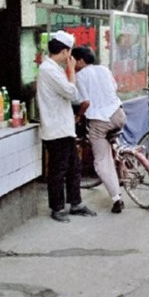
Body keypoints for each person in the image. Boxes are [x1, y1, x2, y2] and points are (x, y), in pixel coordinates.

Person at [36, 30, 97, 222]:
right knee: (59, 169)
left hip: (63, 126)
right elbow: (71, 91)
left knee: (73, 166)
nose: (70, 58)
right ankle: (57, 207)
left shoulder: (52, 68)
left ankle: (75, 203)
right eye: (69, 53)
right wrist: (71, 71)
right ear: (64, 51)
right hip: (56, 128)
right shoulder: (48, 69)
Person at [71, 46, 125, 213]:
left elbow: (85, 102)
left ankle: (117, 198)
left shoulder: (79, 76)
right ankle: (125, 163)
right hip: (119, 114)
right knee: (111, 151)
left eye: (73, 60)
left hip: (100, 121)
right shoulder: (104, 69)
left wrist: (78, 116)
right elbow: (114, 88)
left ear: (80, 60)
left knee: (101, 161)